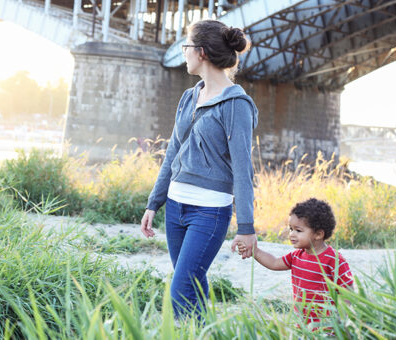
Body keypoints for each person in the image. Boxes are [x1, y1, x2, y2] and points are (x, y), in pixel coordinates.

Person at [140, 19, 259, 319]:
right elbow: (172, 152)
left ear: (202, 52)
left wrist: (246, 228)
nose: (184, 53)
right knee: (192, 283)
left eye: (187, 47)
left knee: (180, 287)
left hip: (209, 211)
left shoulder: (236, 105)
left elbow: (244, 170)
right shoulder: (189, 96)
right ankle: (205, 331)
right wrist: (155, 202)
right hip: (176, 207)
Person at [239, 198, 354, 328]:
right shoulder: (297, 256)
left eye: (298, 231)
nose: (292, 235)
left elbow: (347, 290)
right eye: (291, 229)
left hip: (327, 326)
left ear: (318, 234)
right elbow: (274, 263)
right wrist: (255, 251)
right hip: (302, 325)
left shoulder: (333, 260)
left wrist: (342, 318)